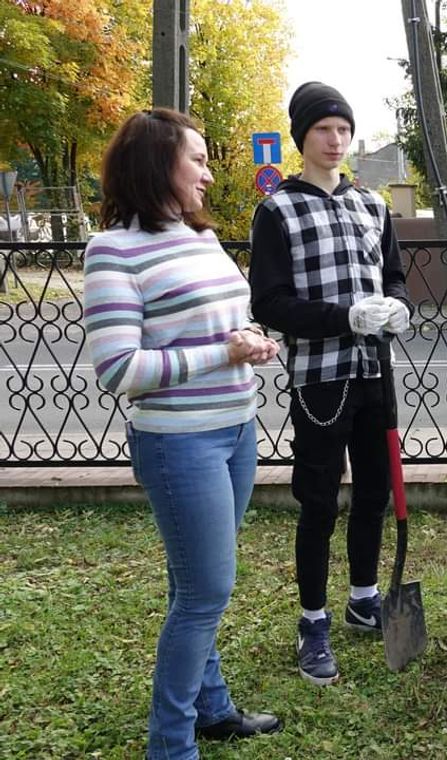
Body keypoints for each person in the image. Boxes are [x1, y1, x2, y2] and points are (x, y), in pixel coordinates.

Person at [83, 108, 282, 759]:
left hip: (235, 432)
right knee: (206, 592)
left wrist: (250, 342)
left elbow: (224, 323)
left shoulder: (202, 238)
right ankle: (169, 745)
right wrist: (221, 354)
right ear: (155, 164)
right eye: (195, 159)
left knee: (194, 584)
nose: (206, 171)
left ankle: (213, 708)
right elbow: (119, 368)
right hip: (178, 443)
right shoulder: (112, 250)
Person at [249, 82, 411, 685]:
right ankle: (312, 620)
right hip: (319, 378)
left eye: (343, 128)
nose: (336, 139)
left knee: (372, 491)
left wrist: (394, 306)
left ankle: (363, 595)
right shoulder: (278, 209)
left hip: (374, 371)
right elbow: (270, 301)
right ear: (302, 138)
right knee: (318, 501)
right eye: (324, 129)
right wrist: (342, 318)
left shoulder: (371, 204)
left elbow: (393, 275)